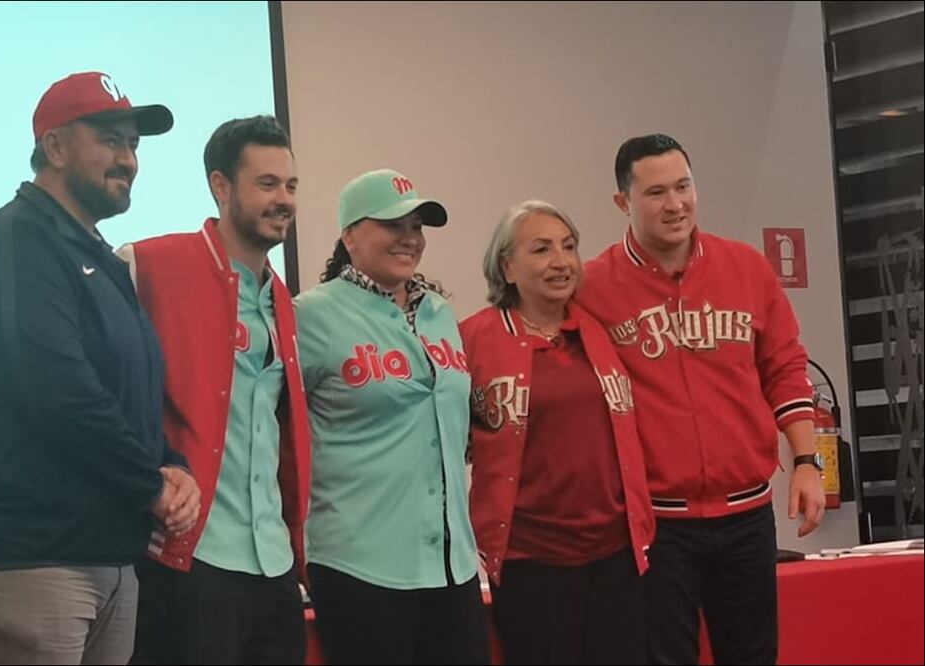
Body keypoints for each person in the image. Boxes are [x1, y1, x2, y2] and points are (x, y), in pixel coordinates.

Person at [0, 71, 200, 665]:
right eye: (109, 139)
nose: (127, 158)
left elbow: (128, 394)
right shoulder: (15, 240)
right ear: (53, 148)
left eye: (133, 144)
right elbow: (55, 389)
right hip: (26, 556)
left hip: (105, 554)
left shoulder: (98, 257)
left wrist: (172, 465)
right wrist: (151, 483)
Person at [578, 133, 826, 665]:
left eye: (684, 187)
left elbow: (784, 366)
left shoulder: (746, 268)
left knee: (753, 655)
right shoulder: (591, 287)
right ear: (623, 202)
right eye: (656, 192)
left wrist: (807, 461)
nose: (676, 204)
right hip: (656, 525)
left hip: (747, 514)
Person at [117, 115, 311, 665]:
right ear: (221, 186)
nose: (284, 200)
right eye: (267, 184)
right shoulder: (147, 264)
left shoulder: (281, 298)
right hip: (189, 559)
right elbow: (98, 389)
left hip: (273, 565)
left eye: (291, 185)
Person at [294, 169, 489, 665]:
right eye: (392, 224)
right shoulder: (309, 316)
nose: (410, 238)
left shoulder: (439, 313)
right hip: (360, 566)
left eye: (417, 226)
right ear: (350, 234)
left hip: (452, 564)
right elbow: (275, 427)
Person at [459, 200, 655, 665]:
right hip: (532, 562)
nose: (562, 261)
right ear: (507, 266)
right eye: (542, 249)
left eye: (569, 247)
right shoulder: (473, 339)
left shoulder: (600, 332)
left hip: (617, 557)